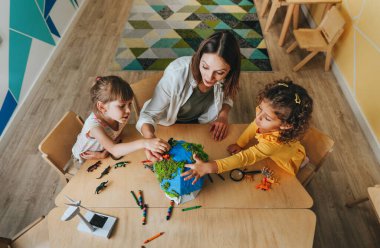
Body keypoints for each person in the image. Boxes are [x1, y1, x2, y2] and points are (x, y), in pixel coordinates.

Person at [181, 80, 314, 184]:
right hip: (283, 146)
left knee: (293, 159)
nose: (258, 117)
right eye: (260, 108)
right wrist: (240, 143)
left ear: (285, 125)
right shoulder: (263, 119)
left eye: (267, 117)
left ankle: (302, 160)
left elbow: (244, 158)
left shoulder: (272, 145)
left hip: (285, 160)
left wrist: (210, 167)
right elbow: (253, 125)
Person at [136, 30, 241, 162]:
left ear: (230, 71)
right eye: (205, 66)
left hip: (200, 126)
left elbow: (228, 94)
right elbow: (148, 115)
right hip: (169, 126)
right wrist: (149, 139)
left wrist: (223, 115)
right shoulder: (176, 74)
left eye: (219, 72)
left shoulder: (228, 77)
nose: (209, 77)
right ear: (199, 56)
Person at [72, 76, 170, 163]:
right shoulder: (95, 128)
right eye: (122, 105)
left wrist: (109, 148)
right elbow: (115, 150)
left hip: (107, 148)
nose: (128, 110)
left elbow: (114, 145)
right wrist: (145, 143)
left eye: (130, 104)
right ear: (102, 107)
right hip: (85, 160)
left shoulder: (119, 115)